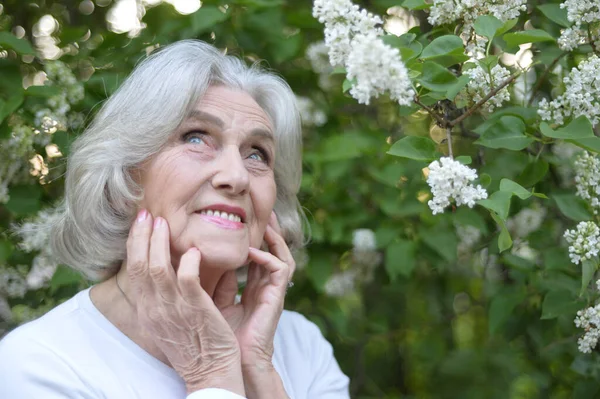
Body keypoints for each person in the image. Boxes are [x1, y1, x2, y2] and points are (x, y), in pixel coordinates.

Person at [0, 40, 350, 399]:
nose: (237, 176)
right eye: (196, 138)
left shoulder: (302, 347)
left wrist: (257, 369)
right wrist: (211, 373)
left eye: (257, 154)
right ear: (125, 178)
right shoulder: (40, 364)